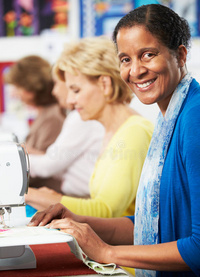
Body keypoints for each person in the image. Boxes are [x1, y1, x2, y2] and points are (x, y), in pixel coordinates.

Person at [29, 4, 200, 277]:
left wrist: (107, 251)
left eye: (148, 54)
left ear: (180, 55)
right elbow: (152, 224)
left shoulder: (194, 119)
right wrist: (80, 220)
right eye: (125, 59)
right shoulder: (169, 118)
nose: (135, 70)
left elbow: (198, 248)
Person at [25, 36, 153, 218]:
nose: (70, 100)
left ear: (104, 84)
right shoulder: (111, 131)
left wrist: (27, 194)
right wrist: (51, 197)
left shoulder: (134, 132)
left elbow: (105, 212)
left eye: (76, 90)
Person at [27, 74, 105, 199]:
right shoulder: (79, 116)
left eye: (56, 83)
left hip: (84, 198)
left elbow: (48, 166)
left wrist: (18, 159)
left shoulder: (80, 118)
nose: (54, 91)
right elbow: (61, 161)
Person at [4, 55, 65, 192]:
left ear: (30, 89)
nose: (15, 94)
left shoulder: (52, 118)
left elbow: (49, 164)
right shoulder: (44, 114)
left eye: (18, 87)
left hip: (48, 194)